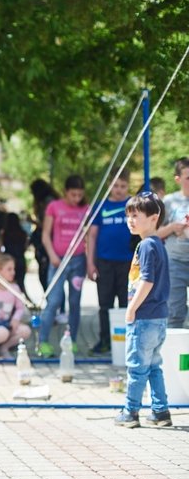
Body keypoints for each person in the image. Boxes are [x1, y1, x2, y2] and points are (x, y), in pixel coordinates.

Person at [115, 192, 172, 428]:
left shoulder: (147, 245)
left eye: (136, 215)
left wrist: (131, 308)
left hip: (145, 317)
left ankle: (131, 412)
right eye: (129, 215)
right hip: (158, 318)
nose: (130, 220)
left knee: (137, 366)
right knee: (153, 366)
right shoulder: (156, 244)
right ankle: (160, 412)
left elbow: (146, 281)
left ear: (153, 217)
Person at [38, 174, 89, 357]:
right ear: (65, 192)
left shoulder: (85, 209)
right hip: (58, 260)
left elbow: (89, 236)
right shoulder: (54, 207)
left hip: (78, 261)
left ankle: (72, 341)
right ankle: (42, 341)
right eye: (73, 194)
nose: (76, 199)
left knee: (75, 302)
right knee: (54, 301)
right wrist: (52, 255)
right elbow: (45, 235)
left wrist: (89, 262)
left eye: (80, 195)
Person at [86, 169, 133, 355]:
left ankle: (127, 341)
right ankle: (105, 340)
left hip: (128, 262)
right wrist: (90, 263)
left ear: (128, 186)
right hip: (104, 262)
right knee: (104, 304)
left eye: (123, 186)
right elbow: (92, 235)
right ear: (109, 185)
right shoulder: (101, 206)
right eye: (115, 186)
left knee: (126, 303)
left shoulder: (132, 205)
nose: (119, 190)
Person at [156, 157, 189, 329]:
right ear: (178, 179)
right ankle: (173, 352)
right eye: (188, 178)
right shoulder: (169, 201)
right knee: (175, 311)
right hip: (175, 262)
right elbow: (154, 232)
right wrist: (172, 227)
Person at [30, 179, 61, 293]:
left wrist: (34, 222)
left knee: (47, 274)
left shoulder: (48, 202)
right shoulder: (51, 200)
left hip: (48, 241)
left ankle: (54, 303)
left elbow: (48, 225)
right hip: (49, 241)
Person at [0, 212, 30, 296]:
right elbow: (25, 247)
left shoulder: (4, 233)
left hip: (9, 261)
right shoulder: (23, 233)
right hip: (20, 260)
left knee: (9, 284)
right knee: (20, 283)